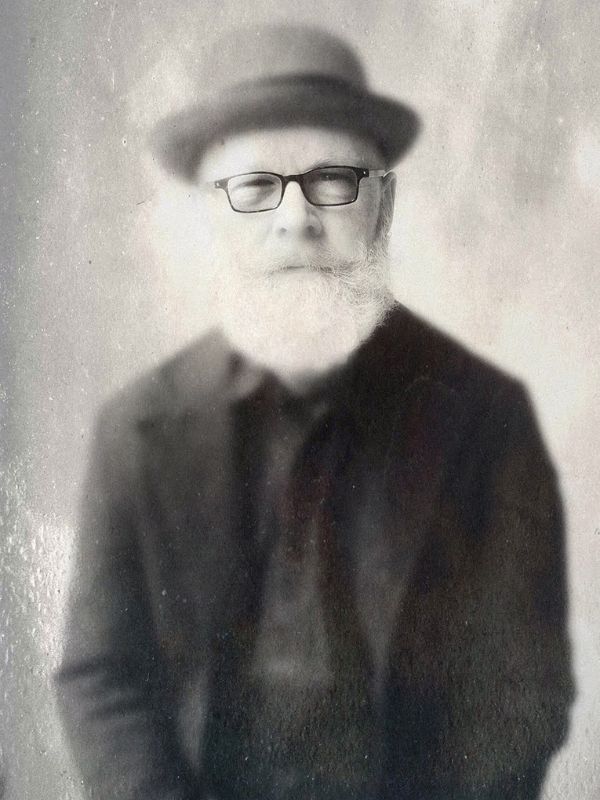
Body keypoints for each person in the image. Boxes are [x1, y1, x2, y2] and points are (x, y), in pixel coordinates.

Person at [55, 24, 573, 800]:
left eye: (332, 180)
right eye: (255, 187)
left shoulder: (486, 419)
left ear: (383, 207)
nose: (295, 218)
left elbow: (521, 691)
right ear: (209, 220)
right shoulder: (134, 431)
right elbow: (103, 679)